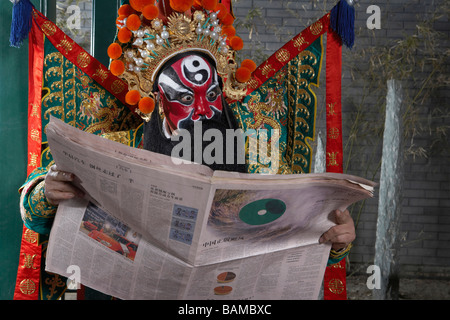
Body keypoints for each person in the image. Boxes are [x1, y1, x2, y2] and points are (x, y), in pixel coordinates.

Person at [19, 0, 354, 298]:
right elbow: (33, 211)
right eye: (183, 98)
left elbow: (301, 235)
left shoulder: (259, 152)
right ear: (160, 103)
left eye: (211, 96)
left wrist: (337, 240)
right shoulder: (118, 147)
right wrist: (45, 192)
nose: (204, 111)